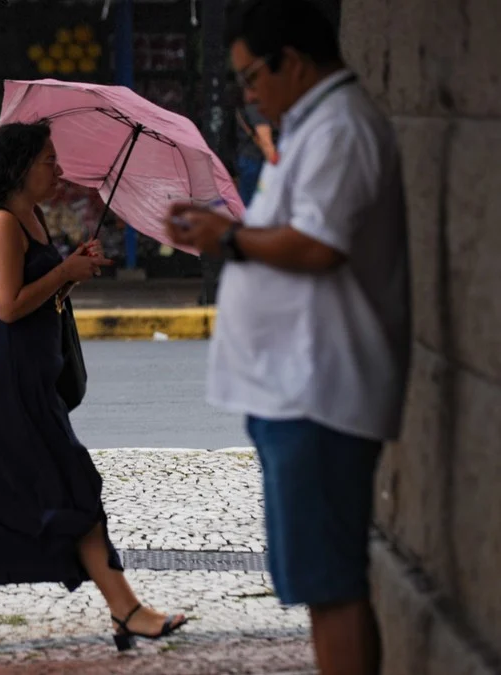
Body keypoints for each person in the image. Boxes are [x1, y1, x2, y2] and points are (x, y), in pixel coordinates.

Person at [165, 1, 410, 674]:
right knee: (320, 582)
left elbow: (319, 244)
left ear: (293, 63)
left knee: (330, 584)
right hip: (297, 390)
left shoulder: (340, 129)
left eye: (251, 77)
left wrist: (229, 238)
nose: (248, 94)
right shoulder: (311, 128)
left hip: (320, 391)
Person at [0, 122, 187, 662]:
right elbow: (6, 306)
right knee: (69, 482)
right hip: (3, 382)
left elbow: (36, 296)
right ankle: (126, 609)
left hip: (27, 379)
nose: (58, 170)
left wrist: (70, 274)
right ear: (20, 168)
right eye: (48, 159)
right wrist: (64, 269)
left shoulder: (31, 218)